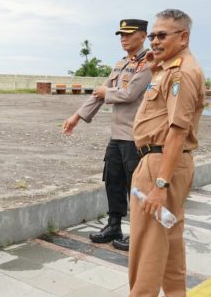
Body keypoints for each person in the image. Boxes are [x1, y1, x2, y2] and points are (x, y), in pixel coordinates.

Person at [97, 9, 205, 297]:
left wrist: (159, 184)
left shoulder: (181, 73)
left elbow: (176, 132)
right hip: (164, 163)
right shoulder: (165, 68)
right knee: (170, 240)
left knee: (147, 245)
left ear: (183, 37)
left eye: (164, 35)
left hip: (160, 165)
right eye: (154, 35)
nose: (155, 41)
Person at [62, 19, 151, 251]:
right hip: (117, 136)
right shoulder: (121, 63)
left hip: (136, 137)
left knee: (136, 187)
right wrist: (77, 116)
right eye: (121, 34)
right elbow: (98, 94)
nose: (123, 38)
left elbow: (130, 93)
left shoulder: (148, 64)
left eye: (128, 34)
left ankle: (139, 233)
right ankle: (114, 225)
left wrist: (107, 91)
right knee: (113, 181)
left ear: (142, 36)